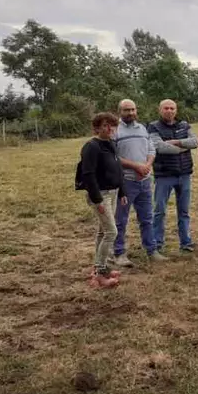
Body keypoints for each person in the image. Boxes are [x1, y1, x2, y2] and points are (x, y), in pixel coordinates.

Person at [76, 112, 127, 288]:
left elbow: (117, 170)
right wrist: (97, 200)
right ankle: (99, 273)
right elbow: (88, 175)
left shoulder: (110, 144)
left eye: (113, 125)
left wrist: (121, 192)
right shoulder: (92, 147)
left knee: (102, 232)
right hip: (101, 195)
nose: (110, 129)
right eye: (105, 125)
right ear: (97, 128)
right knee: (111, 232)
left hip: (113, 193)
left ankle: (102, 267)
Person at [113, 99, 167, 265]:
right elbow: (113, 157)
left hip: (144, 181)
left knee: (147, 218)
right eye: (126, 110)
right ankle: (119, 253)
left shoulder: (142, 128)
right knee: (120, 220)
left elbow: (151, 149)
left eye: (133, 109)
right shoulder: (115, 131)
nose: (130, 113)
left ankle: (151, 250)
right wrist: (136, 166)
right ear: (120, 112)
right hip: (126, 182)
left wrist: (146, 166)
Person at [147, 99, 198, 255]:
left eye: (172, 108)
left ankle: (186, 242)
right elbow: (159, 147)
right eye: (166, 108)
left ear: (176, 110)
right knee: (159, 211)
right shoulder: (153, 127)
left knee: (184, 211)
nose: (169, 111)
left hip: (184, 174)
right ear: (160, 110)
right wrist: (183, 147)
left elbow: (195, 142)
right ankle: (157, 243)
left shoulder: (184, 125)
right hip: (164, 175)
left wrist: (175, 142)